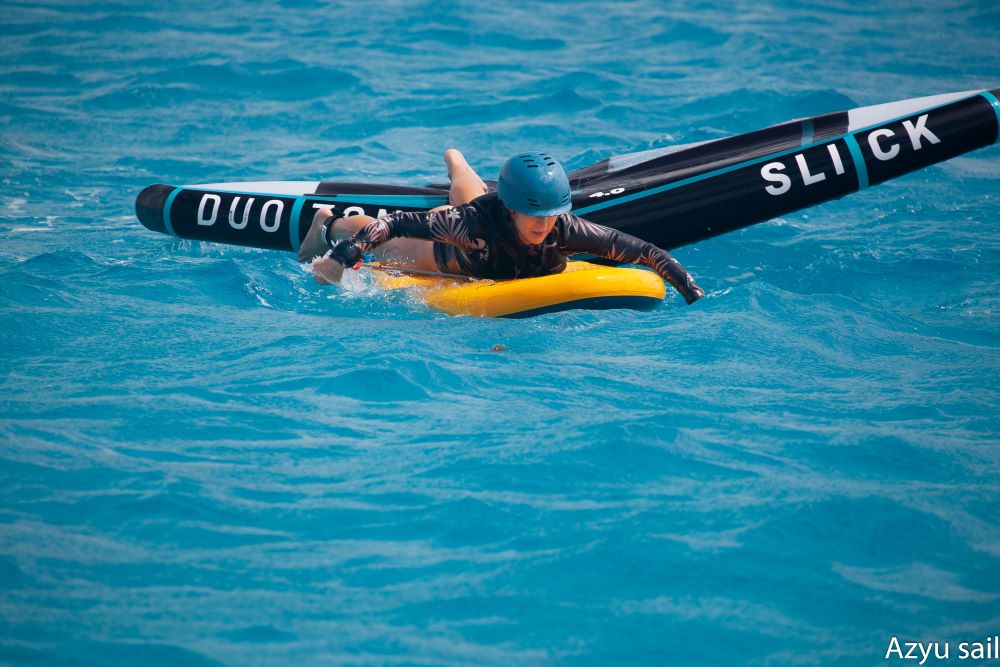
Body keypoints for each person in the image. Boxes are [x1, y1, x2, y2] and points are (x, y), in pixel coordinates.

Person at [298, 149, 705, 304]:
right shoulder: (468, 225)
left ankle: (456, 159)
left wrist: (688, 288)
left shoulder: (562, 227)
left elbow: (643, 251)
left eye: (552, 214)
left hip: (487, 222)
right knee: (396, 244)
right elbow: (396, 223)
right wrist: (341, 256)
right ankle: (328, 222)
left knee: (470, 190)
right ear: (511, 209)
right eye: (535, 215)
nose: (545, 224)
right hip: (440, 258)